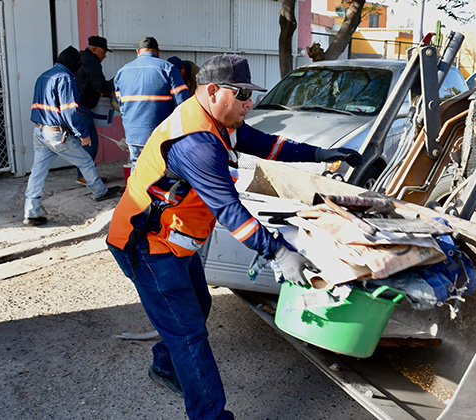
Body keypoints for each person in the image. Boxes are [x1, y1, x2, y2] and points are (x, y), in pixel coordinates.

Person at [106, 53, 362, 420]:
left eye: (250, 94)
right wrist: (279, 253)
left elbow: (266, 144)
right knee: (189, 335)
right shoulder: (196, 142)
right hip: (146, 245)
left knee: (197, 309)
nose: (249, 102)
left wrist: (319, 154)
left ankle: (164, 365)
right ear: (213, 91)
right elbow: (231, 213)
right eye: (242, 94)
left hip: (174, 240)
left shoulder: (216, 120)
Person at [24, 46, 122, 226]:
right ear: (73, 63)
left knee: (37, 173)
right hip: (56, 134)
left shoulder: (44, 75)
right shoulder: (65, 78)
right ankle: (100, 192)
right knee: (85, 160)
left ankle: (31, 212)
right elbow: (70, 111)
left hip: (39, 131)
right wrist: (82, 133)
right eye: (78, 63)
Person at [114, 36, 190, 169]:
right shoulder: (167, 68)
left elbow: (122, 106)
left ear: (138, 52)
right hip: (160, 134)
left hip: (133, 134)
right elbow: (183, 104)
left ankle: (136, 190)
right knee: (161, 169)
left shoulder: (122, 72)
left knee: (137, 167)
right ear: (158, 52)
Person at [75, 35, 114, 185]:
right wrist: (112, 86)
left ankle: (84, 174)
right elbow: (99, 84)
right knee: (91, 143)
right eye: (103, 52)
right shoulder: (91, 61)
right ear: (94, 49)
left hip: (75, 106)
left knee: (83, 143)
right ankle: (85, 176)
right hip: (82, 107)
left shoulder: (80, 58)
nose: (104, 56)